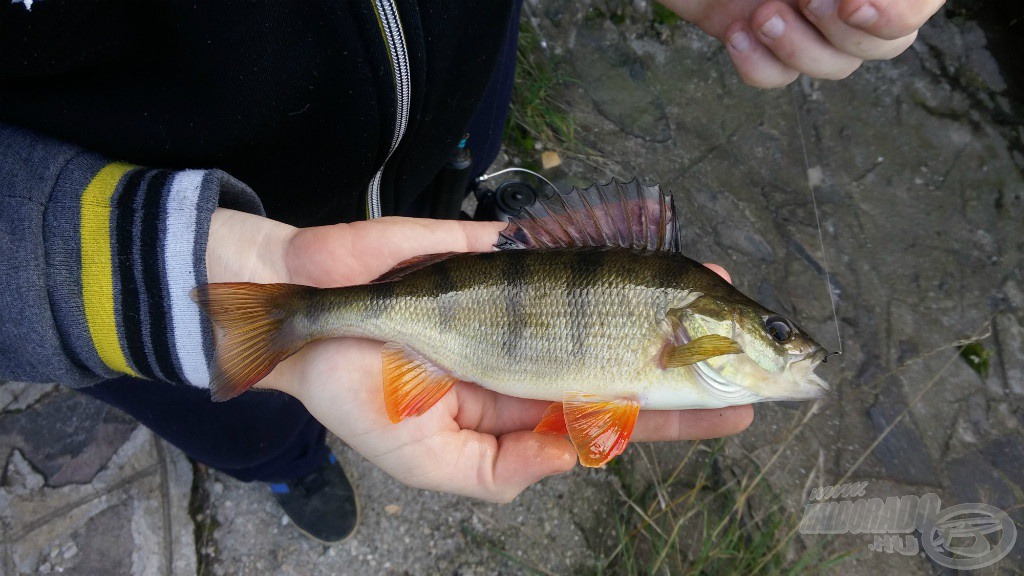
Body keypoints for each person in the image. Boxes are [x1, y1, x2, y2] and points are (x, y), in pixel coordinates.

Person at [0, 0, 943, 543]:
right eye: (776, 335)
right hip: (153, 195)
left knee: (458, 210)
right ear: (720, 330)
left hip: (442, 119)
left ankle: (435, 237)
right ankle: (285, 466)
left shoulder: (680, 326)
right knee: (250, 420)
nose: (791, 347)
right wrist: (150, 270)